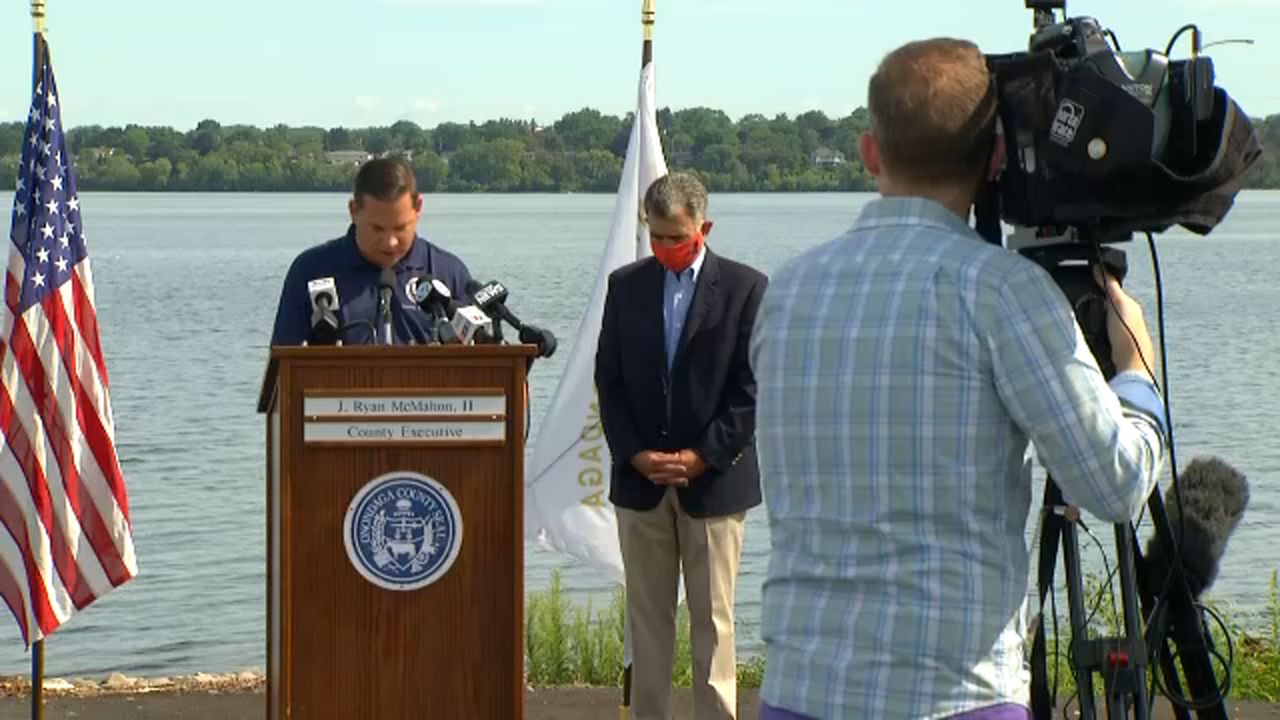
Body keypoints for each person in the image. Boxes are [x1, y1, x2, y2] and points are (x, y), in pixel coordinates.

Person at [749, 38, 1168, 720]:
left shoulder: (788, 291)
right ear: (998, 155)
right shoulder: (1000, 291)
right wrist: (1135, 374)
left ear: (869, 152)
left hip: (800, 692)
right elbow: (1115, 486)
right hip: (954, 699)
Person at [594, 172, 767, 720]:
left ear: (704, 227)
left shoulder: (746, 288)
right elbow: (610, 381)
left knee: (713, 622)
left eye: (677, 237)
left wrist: (702, 456)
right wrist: (636, 453)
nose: (666, 248)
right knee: (647, 623)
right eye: (657, 236)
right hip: (640, 482)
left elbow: (750, 389)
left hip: (714, 483)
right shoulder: (627, 285)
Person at [269, 156, 472, 346]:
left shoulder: (449, 273)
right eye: (377, 229)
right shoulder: (311, 270)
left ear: (418, 208)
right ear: (353, 211)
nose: (390, 242)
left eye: (400, 228)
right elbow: (285, 365)